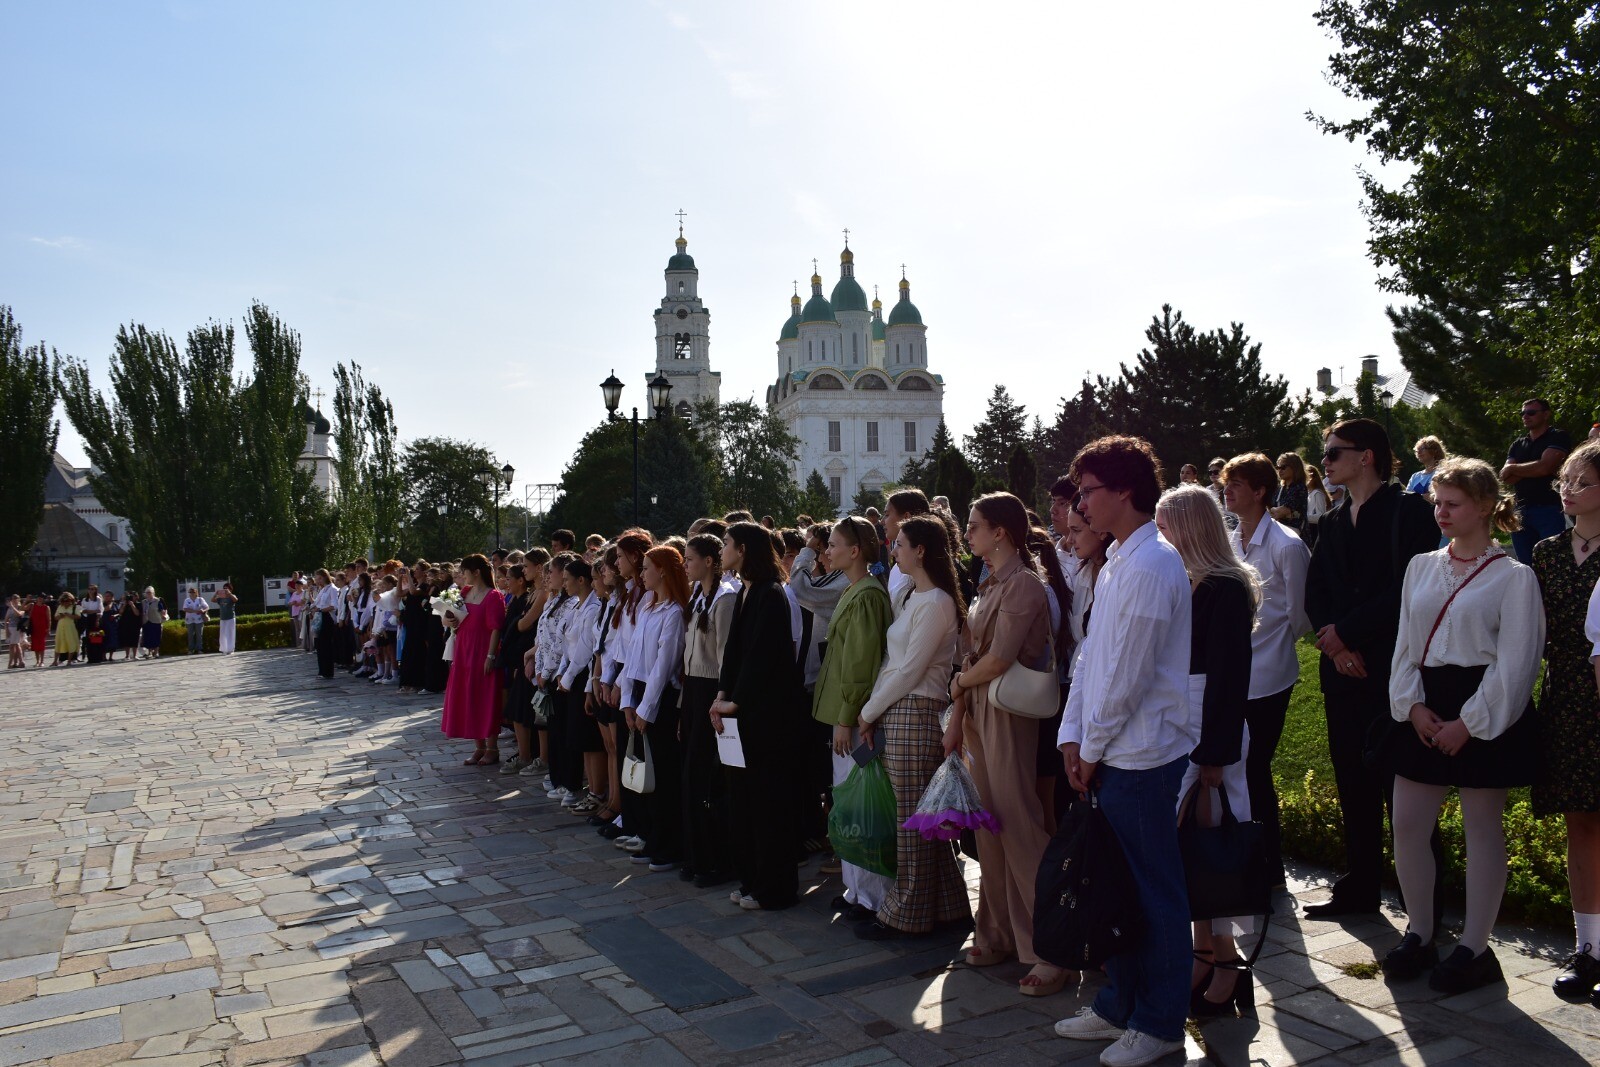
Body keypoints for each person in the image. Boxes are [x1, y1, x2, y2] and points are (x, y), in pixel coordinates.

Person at [1053, 437, 1194, 1066]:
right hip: (1109, 751)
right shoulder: (1116, 562)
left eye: (1088, 491)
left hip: (1140, 755)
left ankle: (1161, 1022)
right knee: (1117, 887)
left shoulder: (1154, 565)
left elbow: (1129, 676)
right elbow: (1090, 661)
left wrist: (1094, 744)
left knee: (1154, 893)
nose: (1079, 504)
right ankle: (1121, 1004)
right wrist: (1072, 734)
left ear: (1125, 492)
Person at [1381, 459, 1542, 992]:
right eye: (1437, 502)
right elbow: (1405, 644)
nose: (1440, 512)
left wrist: (1469, 723)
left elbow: (1518, 662)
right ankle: (1421, 932)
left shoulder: (1514, 577)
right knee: (1407, 822)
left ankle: (1474, 945)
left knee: (1480, 828)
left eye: (1451, 503)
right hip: (1426, 701)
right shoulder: (1420, 566)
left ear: (1485, 507)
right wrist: (1411, 705)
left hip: (1485, 708)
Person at [1304, 418, 1445, 922]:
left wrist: (1350, 633)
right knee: (1352, 778)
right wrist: (1334, 644)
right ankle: (1360, 886)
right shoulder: (1335, 518)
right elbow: (1315, 588)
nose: (1325, 461)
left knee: (1403, 784)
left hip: (1395, 670)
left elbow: (1413, 588)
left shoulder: (1410, 512)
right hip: (1343, 672)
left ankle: (1423, 898)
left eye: (1334, 452)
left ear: (1367, 456)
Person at [947, 492, 1068, 997]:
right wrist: (958, 712)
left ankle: (1051, 949)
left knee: (1018, 824)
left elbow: (998, 659)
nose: (967, 533)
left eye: (974, 526)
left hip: (1008, 713)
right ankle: (995, 931)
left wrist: (957, 688)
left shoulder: (1024, 587)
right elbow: (976, 655)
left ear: (1001, 532)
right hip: (979, 709)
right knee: (988, 826)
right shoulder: (989, 582)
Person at [1154, 484, 1260, 1018]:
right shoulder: (1188, 581)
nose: (1159, 536)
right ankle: (1204, 951)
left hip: (1210, 724)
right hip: (1181, 719)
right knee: (1189, 843)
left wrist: (1217, 754)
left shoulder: (1225, 586)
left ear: (1192, 528)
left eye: (1166, 526)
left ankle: (1228, 963)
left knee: (1215, 838)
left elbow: (1228, 676)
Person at [855, 514, 972, 940]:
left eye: (900, 543)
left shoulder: (938, 601)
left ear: (921, 550)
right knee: (922, 817)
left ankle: (907, 914)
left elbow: (909, 670)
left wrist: (868, 712)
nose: (893, 549)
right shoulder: (913, 598)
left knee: (912, 817)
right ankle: (950, 907)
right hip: (899, 709)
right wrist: (874, 710)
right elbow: (893, 667)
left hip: (917, 709)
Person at [1222, 453, 1312, 886]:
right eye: (1226, 483)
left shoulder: (1287, 545)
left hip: (1269, 673)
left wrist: (1271, 646)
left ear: (1260, 491)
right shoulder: (1230, 541)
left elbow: (1300, 614)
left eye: (1237, 484)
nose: (1228, 490)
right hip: (1234, 672)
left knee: (1255, 768)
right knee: (1235, 768)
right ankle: (1247, 859)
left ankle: (1268, 867)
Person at [1533, 441, 1600, 1004]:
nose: (1567, 487)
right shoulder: (1547, 553)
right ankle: (1588, 949)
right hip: (1567, 699)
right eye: (1565, 480)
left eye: (1581, 480)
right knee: (1581, 822)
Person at [713, 521, 804, 911]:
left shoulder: (771, 594)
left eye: (727, 544)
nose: (722, 551)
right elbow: (734, 652)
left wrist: (735, 701)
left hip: (767, 719)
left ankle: (774, 888)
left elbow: (763, 657)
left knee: (769, 804)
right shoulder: (747, 591)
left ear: (744, 550)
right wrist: (721, 693)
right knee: (745, 802)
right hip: (742, 716)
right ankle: (751, 880)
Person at [812, 516, 894, 920]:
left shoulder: (866, 595)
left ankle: (872, 898)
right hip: (843, 716)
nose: (827, 550)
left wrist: (847, 717)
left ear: (855, 550)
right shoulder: (853, 589)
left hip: (853, 719)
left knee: (859, 806)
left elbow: (860, 666)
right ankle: (855, 890)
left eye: (833, 543)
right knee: (846, 802)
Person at [620, 546, 690, 871]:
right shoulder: (648, 606)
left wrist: (646, 709)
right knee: (645, 772)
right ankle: (652, 836)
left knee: (662, 776)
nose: (642, 574)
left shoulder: (674, 612)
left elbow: (664, 665)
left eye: (647, 568)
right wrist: (627, 700)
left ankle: (669, 844)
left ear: (662, 570)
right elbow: (634, 658)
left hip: (660, 700)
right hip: (639, 693)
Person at [680, 533, 736, 888]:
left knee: (713, 781)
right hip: (693, 690)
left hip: (712, 692)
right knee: (692, 777)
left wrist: (720, 699)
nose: (685, 565)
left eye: (690, 559)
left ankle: (716, 859)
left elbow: (727, 656)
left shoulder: (725, 599)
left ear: (710, 561)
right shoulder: (698, 596)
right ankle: (697, 854)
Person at [442, 554, 506, 765]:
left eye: (465, 571)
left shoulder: (493, 595)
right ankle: (478, 746)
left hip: (482, 651)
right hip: (463, 650)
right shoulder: (465, 592)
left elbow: (496, 628)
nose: (462, 575)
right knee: (469, 696)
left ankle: (492, 747)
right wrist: (450, 619)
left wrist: (490, 655)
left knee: (485, 698)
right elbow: (454, 619)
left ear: (476, 572)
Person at [556, 557, 606, 814]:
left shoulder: (594, 607)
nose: (564, 584)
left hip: (583, 676)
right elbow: (567, 641)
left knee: (589, 739)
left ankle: (597, 791)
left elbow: (586, 649)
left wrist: (567, 676)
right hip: (572, 677)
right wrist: (562, 671)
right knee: (579, 739)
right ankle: (592, 789)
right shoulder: (577, 606)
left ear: (582, 580)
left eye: (567, 579)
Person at [1502, 397, 1573, 564]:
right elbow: (1506, 477)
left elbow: (1545, 467)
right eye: (1523, 413)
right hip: (1520, 511)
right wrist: (1534, 468)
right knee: (1524, 565)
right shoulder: (1517, 444)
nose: (1526, 416)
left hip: (1549, 509)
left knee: (1552, 562)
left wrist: (1515, 468)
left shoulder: (1558, 437)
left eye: (1531, 412)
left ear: (1546, 414)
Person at [1268, 453, 1309, 536]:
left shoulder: (1300, 487)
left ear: (1294, 467)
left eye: (1283, 467)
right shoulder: (1280, 488)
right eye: (1278, 468)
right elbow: (1271, 510)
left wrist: (1276, 511)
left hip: (1295, 535)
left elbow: (1282, 511)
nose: (1280, 470)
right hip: (1281, 532)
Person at [53, 592, 80, 666]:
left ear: (71, 600)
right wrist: (61, 616)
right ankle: (55, 661)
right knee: (58, 643)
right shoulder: (60, 607)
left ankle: (69, 661)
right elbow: (55, 617)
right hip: (60, 627)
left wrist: (69, 615)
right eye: (64, 601)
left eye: (68, 600)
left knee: (71, 643)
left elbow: (78, 616)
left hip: (70, 627)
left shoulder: (74, 607)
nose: (66, 602)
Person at [140, 587, 165, 660]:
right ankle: (150, 652)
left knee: (156, 637)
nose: (148, 594)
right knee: (148, 637)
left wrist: (163, 616)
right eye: (147, 593)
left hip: (156, 621)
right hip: (146, 621)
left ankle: (156, 652)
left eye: (149, 592)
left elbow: (161, 610)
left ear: (153, 593)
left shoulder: (157, 601)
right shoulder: (143, 602)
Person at [181, 587, 208, 655]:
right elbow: (185, 609)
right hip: (189, 620)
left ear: (196, 593)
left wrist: (203, 611)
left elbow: (207, 607)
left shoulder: (200, 599)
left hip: (199, 619)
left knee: (199, 635)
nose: (191, 593)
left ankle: (199, 649)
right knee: (190, 635)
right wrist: (195, 611)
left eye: (193, 592)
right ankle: (191, 649)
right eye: (190, 592)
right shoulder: (187, 600)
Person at [215, 582, 239, 655]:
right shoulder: (221, 598)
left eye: (227, 588)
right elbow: (212, 600)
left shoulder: (232, 596)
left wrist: (229, 594)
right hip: (223, 618)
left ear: (230, 589)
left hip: (230, 617)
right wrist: (216, 593)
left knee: (230, 634)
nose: (225, 590)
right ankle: (224, 649)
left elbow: (235, 600)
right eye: (224, 588)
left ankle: (231, 649)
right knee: (223, 634)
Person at [117, 594, 141, 662]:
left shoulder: (138, 604)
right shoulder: (124, 604)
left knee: (135, 639)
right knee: (126, 639)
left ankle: (135, 655)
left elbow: (137, 613)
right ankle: (127, 655)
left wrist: (132, 605)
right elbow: (120, 612)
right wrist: (124, 605)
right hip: (125, 624)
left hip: (135, 624)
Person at [30, 594, 52, 667]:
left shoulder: (46, 607)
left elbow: (49, 619)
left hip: (43, 628)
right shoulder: (33, 606)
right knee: (35, 645)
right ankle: (37, 661)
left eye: (41, 598)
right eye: (38, 598)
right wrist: (27, 600)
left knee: (41, 645)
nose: (39, 599)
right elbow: (23, 608)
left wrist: (48, 628)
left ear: (43, 599)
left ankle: (42, 661)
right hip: (34, 628)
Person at [5, 595, 25, 669]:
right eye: (13, 598)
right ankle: (20, 661)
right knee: (16, 645)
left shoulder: (20, 607)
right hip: (11, 628)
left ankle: (11, 663)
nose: (14, 600)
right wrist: (6, 630)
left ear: (18, 599)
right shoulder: (10, 608)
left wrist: (13, 607)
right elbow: (6, 619)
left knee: (14, 645)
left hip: (17, 628)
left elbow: (19, 614)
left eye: (15, 599)